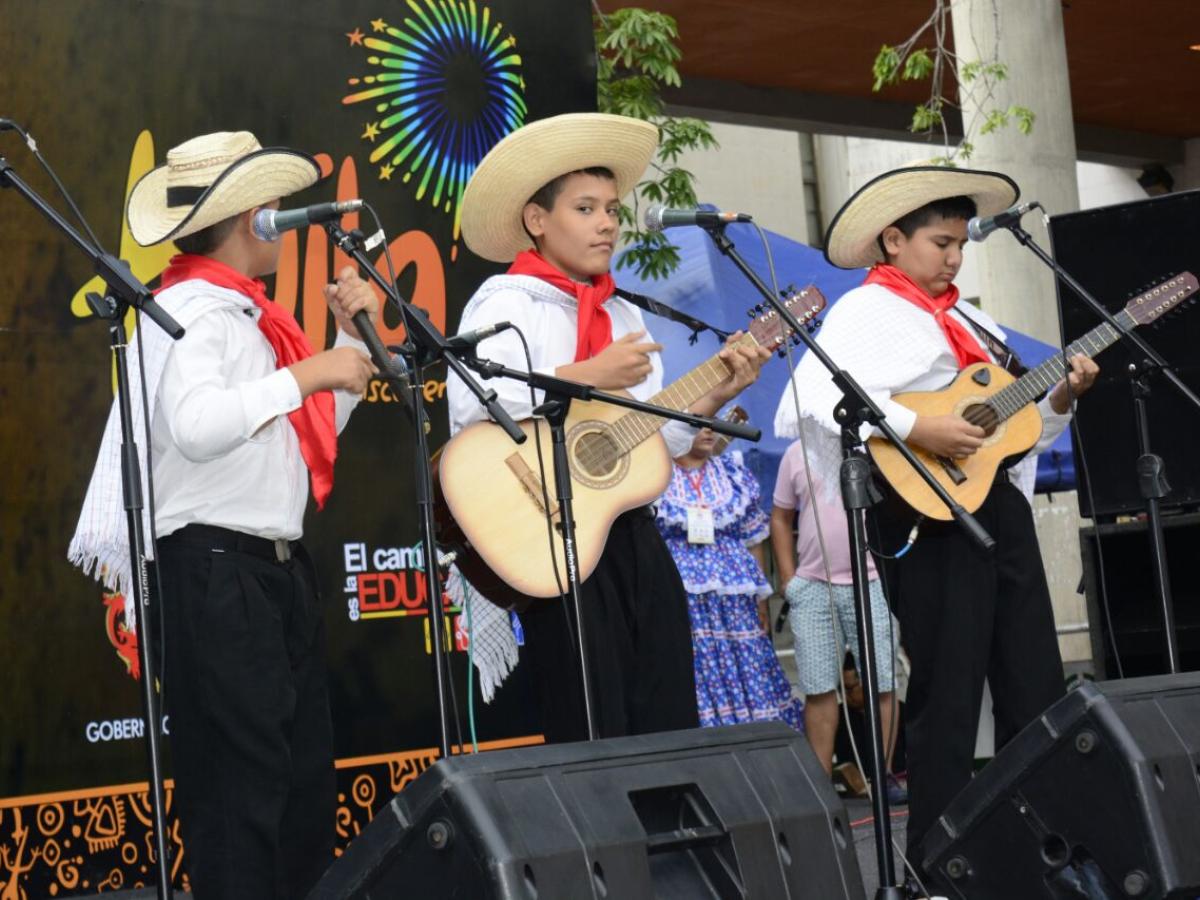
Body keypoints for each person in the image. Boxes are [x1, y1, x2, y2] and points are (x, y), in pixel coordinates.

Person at [69, 131, 378, 898]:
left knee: (300, 790)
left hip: (271, 573)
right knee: (242, 800)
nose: (281, 219)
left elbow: (303, 436)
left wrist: (344, 345)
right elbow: (199, 427)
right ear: (250, 217)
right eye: (272, 205)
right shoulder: (190, 313)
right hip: (217, 574)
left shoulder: (245, 315)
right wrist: (310, 371)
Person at [773, 164, 1099, 865]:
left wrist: (1061, 399)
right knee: (947, 689)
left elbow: (1013, 432)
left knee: (1034, 679)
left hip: (995, 508)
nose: (954, 258)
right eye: (941, 244)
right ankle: (938, 861)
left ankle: (1042, 846)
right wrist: (918, 428)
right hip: (924, 514)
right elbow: (812, 401)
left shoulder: (971, 322)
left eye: (959, 245)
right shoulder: (865, 310)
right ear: (893, 240)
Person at [446, 112, 771, 743]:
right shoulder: (507, 301)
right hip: (553, 534)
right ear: (537, 220)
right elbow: (472, 404)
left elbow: (651, 445)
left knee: (666, 704)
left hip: (629, 531)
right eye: (586, 208)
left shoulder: (623, 313)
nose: (607, 224)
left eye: (613, 210)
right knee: (590, 716)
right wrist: (586, 376)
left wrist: (714, 394)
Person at [769, 438, 903, 801]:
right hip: (813, 585)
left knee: (883, 682)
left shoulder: (872, 446)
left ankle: (884, 776)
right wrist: (788, 579)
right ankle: (820, 784)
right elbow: (780, 517)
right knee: (818, 687)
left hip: (872, 580)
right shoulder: (796, 452)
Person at [655, 427, 804, 730]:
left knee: (746, 655)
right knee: (696, 658)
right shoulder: (656, 476)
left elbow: (753, 537)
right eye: (696, 423)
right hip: (682, 593)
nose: (708, 429)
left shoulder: (733, 474)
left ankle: (755, 733)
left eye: (712, 421)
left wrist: (761, 601)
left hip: (734, 593)